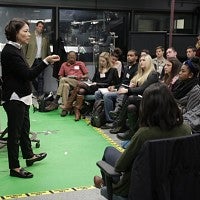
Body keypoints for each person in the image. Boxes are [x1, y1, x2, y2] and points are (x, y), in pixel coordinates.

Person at [94, 82, 191, 198]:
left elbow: (120, 166)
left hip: (139, 186)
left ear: (147, 107)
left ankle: (108, 186)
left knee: (109, 151)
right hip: (174, 184)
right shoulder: (186, 129)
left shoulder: (144, 134)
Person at [1, 18, 60, 178]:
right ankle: (14, 168)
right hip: (15, 98)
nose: (29, 34)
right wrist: (46, 61)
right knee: (15, 134)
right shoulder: (9, 52)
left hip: (22, 96)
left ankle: (29, 155)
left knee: (24, 129)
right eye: (25, 31)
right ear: (15, 33)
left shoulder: (17, 49)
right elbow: (28, 75)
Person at [109, 54, 158, 136]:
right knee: (130, 107)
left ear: (149, 62)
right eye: (140, 60)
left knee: (130, 96)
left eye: (144, 60)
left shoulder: (153, 74)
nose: (141, 62)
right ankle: (130, 131)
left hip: (150, 100)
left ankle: (119, 122)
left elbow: (143, 89)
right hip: (141, 99)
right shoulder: (141, 73)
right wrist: (132, 86)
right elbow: (138, 88)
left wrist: (128, 90)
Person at [95, 49, 138, 126]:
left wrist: (117, 87)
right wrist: (114, 87)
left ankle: (111, 120)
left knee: (107, 96)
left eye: (131, 56)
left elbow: (132, 84)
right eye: (128, 55)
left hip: (128, 90)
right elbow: (122, 82)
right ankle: (99, 115)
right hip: (121, 88)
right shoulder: (127, 68)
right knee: (98, 93)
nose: (129, 57)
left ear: (136, 57)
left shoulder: (137, 68)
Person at [73, 51, 119, 121]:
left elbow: (110, 83)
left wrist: (97, 84)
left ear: (107, 61)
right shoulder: (98, 68)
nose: (101, 63)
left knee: (80, 84)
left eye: (103, 61)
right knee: (81, 91)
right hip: (94, 87)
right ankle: (77, 111)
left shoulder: (113, 70)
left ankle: (71, 106)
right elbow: (94, 79)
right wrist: (93, 83)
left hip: (105, 88)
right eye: (100, 61)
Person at [45, 51, 89, 116]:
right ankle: (65, 108)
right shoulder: (64, 65)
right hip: (68, 82)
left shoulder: (80, 64)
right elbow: (60, 76)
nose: (72, 59)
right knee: (65, 85)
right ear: (67, 57)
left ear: (76, 57)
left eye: (74, 57)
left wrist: (79, 76)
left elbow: (87, 75)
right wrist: (65, 78)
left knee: (63, 80)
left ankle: (56, 100)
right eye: (71, 57)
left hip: (78, 83)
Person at [22, 21, 51, 97]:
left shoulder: (45, 37)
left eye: (42, 27)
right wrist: (23, 58)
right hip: (31, 59)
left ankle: (40, 94)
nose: (41, 28)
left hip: (41, 59)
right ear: (36, 26)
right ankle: (37, 91)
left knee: (41, 77)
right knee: (31, 77)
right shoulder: (30, 36)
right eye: (39, 26)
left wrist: (50, 58)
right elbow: (25, 47)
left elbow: (48, 49)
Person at [172, 57, 200, 132]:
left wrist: (175, 107)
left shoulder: (195, 90)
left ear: (190, 75)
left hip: (182, 120)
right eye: (180, 70)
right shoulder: (180, 84)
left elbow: (190, 113)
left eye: (183, 71)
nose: (179, 73)